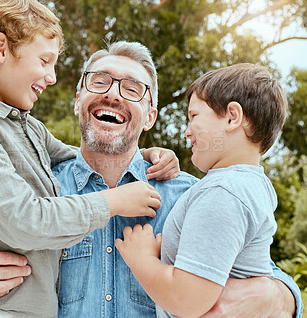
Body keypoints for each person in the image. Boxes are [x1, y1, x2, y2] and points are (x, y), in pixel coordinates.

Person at [0, 43, 302, 318]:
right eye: (99, 82)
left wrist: (282, 297)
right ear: (78, 100)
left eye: (132, 88)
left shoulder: (193, 195)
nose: (113, 95)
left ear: (149, 116)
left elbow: (258, 269)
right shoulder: (34, 193)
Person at [0, 0, 180, 318]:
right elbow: (21, 219)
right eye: (44, 61)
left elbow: (83, 153)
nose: (52, 77)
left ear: (151, 116)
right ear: (0, 48)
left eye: (132, 88)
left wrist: (146, 155)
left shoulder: (26, 127)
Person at [115, 63, 298, 317]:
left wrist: (142, 259)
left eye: (194, 116)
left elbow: (185, 299)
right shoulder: (250, 186)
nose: (187, 131)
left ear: (232, 117)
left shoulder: (223, 192)